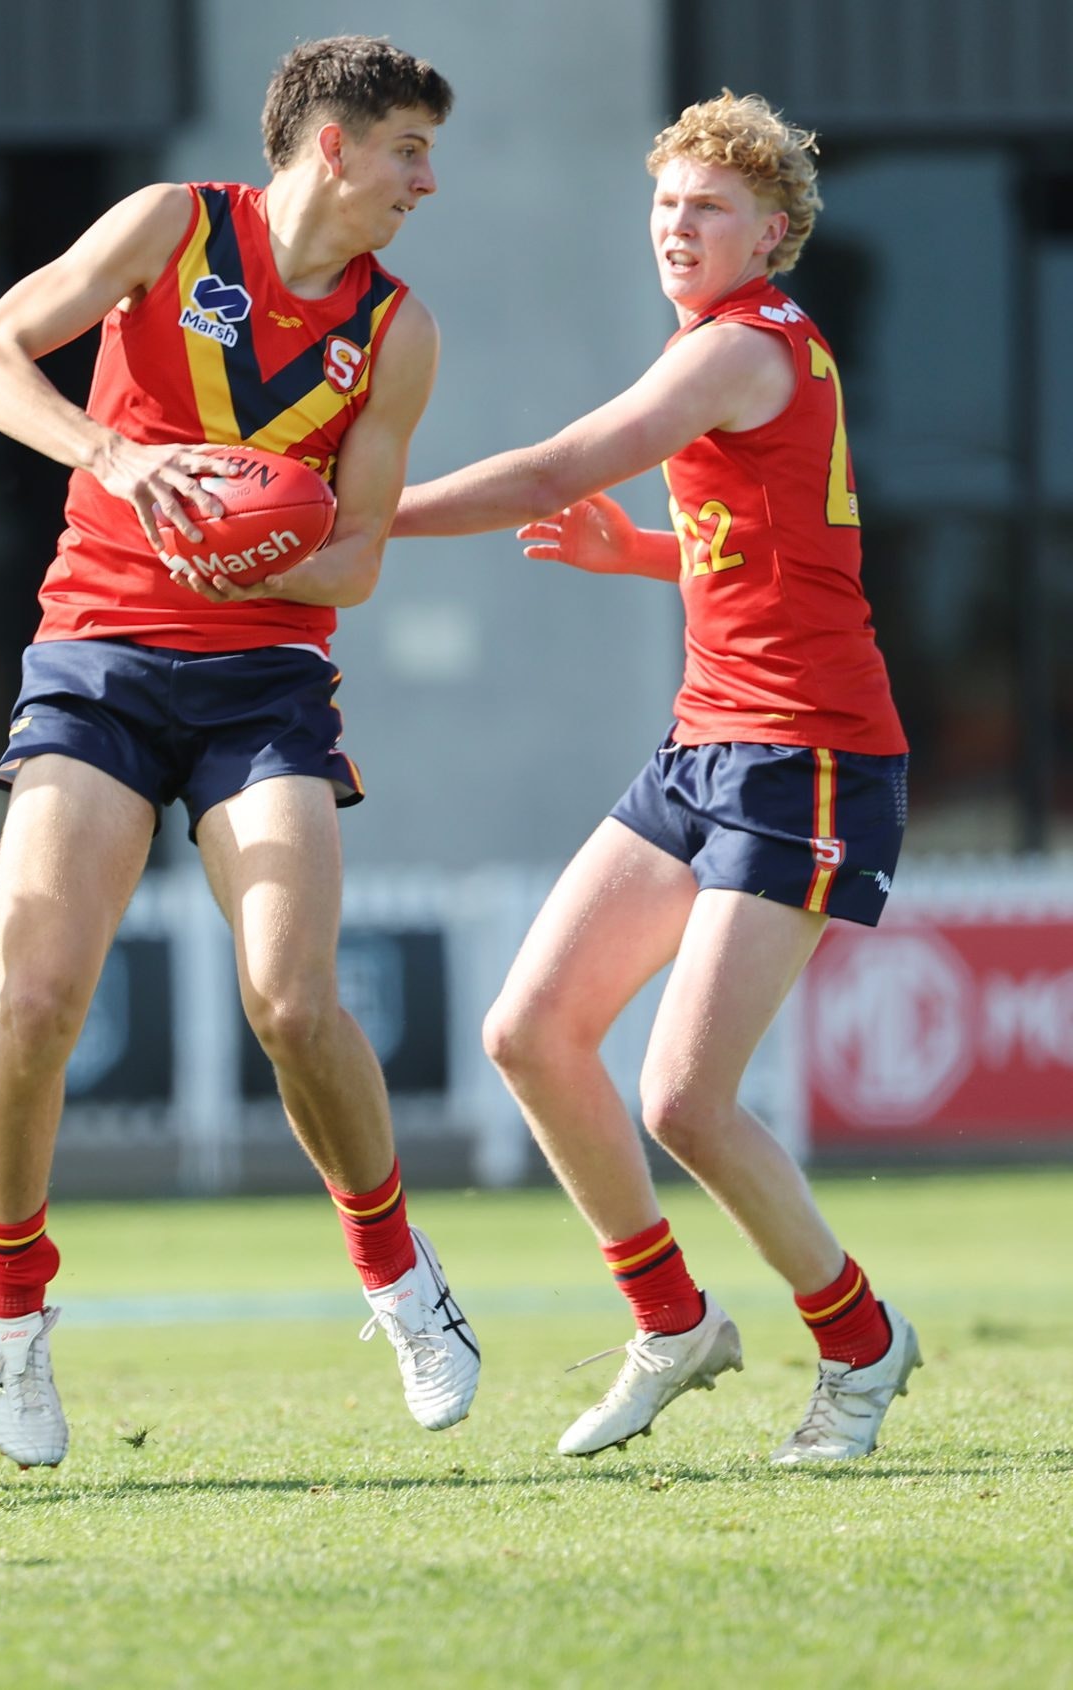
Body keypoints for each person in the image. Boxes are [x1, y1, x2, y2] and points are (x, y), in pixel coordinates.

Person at [0, 35, 477, 1471]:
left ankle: (404, 1284)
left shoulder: (400, 332)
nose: (429, 180)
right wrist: (116, 460)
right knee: (38, 996)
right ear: (335, 145)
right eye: (411, 149)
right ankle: (10, 1319)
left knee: (294, 1003)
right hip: (96, 657)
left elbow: (358, 555)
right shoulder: (176, 226)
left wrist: (270, 556)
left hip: (264, 679)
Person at [391, 92, 920, 1464]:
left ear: (777, 234)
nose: (676, 228)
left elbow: (560, 461)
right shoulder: (728, 349)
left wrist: (362, 515)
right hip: (707, 746)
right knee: (530, 1031)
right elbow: (770, 553)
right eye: (664, 205)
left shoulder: (738, 348)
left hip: (806, 755)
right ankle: (673, 1320)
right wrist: (636, 554)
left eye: (710, 210)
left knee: (685, 1095)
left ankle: (860, 1344)